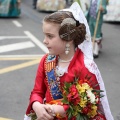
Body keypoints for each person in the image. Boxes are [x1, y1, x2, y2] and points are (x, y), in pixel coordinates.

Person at [24, 2, 113, 120]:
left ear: (68, 38)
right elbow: (37, 91)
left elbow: (90, 104)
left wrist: (57, 109)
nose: (44, 41)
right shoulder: (46, 61)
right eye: (45, 35)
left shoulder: (85, 67)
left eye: (50, 36)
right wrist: (36, 105)